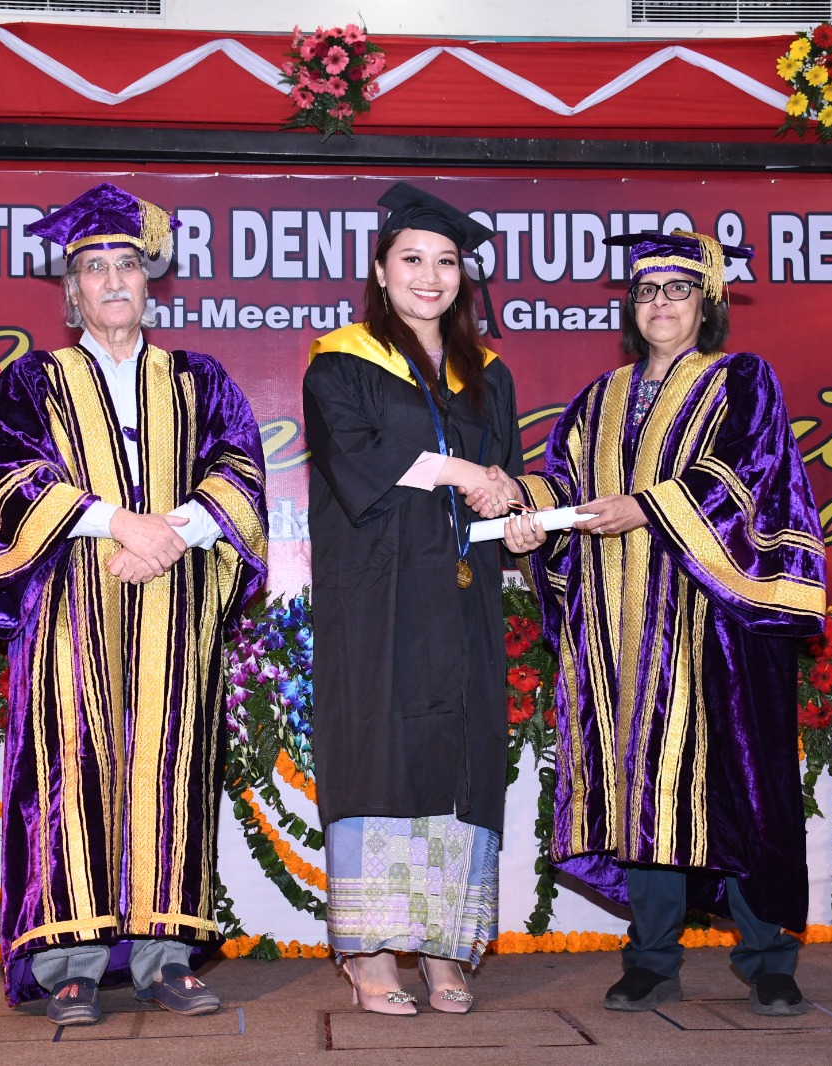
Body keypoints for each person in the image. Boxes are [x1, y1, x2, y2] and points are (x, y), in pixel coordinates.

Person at [0, 183, 268, 1025]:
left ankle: (167, 958)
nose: (112, 281)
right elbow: (8, 479)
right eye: (94, 269)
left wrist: (171, 535)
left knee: (171, 768)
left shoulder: (198, 379)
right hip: (70, 611)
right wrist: (118, 524)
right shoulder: (34, 381)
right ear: (71, 291)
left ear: (149, 278)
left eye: (126, 265)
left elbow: (239, 472)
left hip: (176, 604)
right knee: (72, 773)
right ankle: (73, 964)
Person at [502, 228, 826, 1016]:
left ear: (707, 303)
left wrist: (647, 508)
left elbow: (749, 476)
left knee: (734, 786)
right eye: (646, 291)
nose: (660, 304)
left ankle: (767, 957)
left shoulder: (739, 379)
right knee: (642, 787)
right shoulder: (599, 398)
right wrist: (528, 512)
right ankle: (651, 957)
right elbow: (568, 486)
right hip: (621, 631)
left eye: (678, 290)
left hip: (714, 630)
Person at [303, 182, 522, 1015]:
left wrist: (516, 510)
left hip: (462, 598)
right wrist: (463, 470)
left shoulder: (487, 374)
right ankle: (368, 953)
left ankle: (441, 948)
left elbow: (504, 474)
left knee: (459, 755)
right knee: (379, 753)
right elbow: (355, 467)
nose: (430, 277)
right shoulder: (342, 363)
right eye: (412, 260)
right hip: (378, 596)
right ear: (380, 269)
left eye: (446, 262)